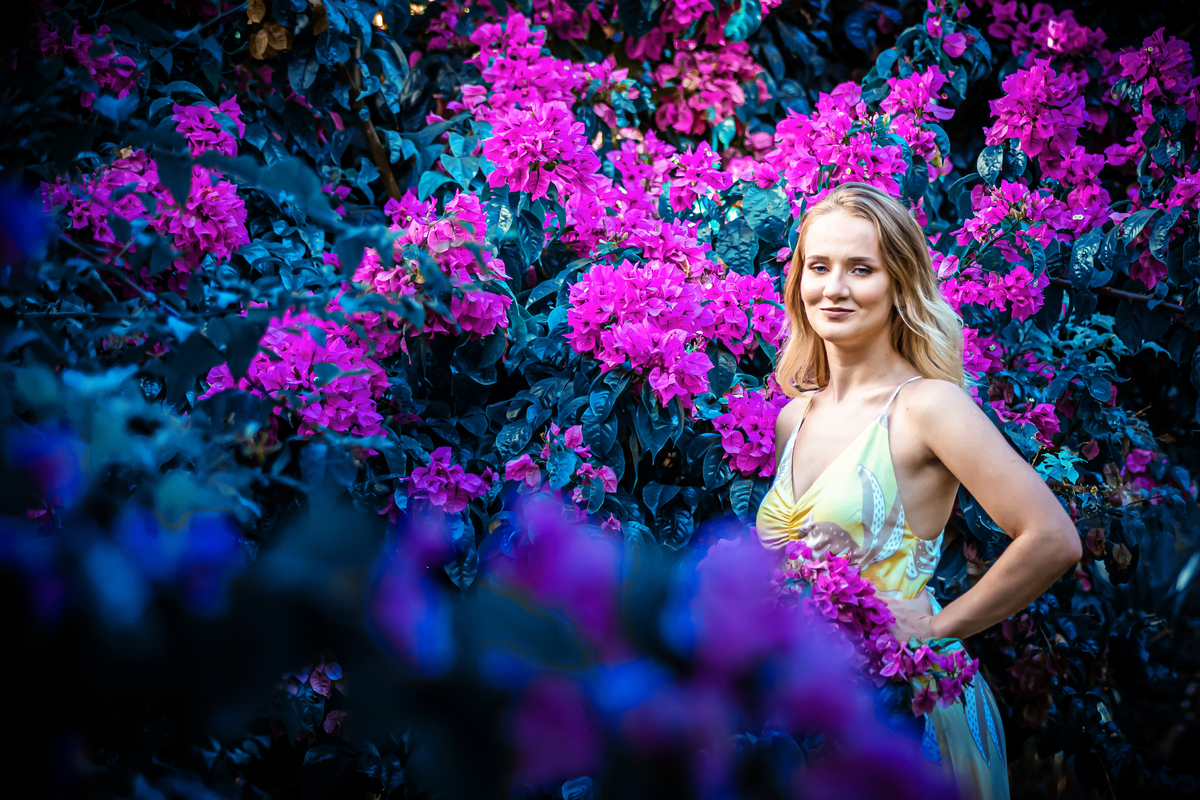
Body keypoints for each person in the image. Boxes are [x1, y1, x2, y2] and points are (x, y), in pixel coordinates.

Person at [754, 182, 1082, 800]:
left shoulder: (929, 407)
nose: (834, 288)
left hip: (905, 710)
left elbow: (1052, 538)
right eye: (818, 267)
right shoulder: (792, 419)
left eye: (861, 269)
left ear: (899, 283)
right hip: (808, 711)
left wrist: (936, 628)